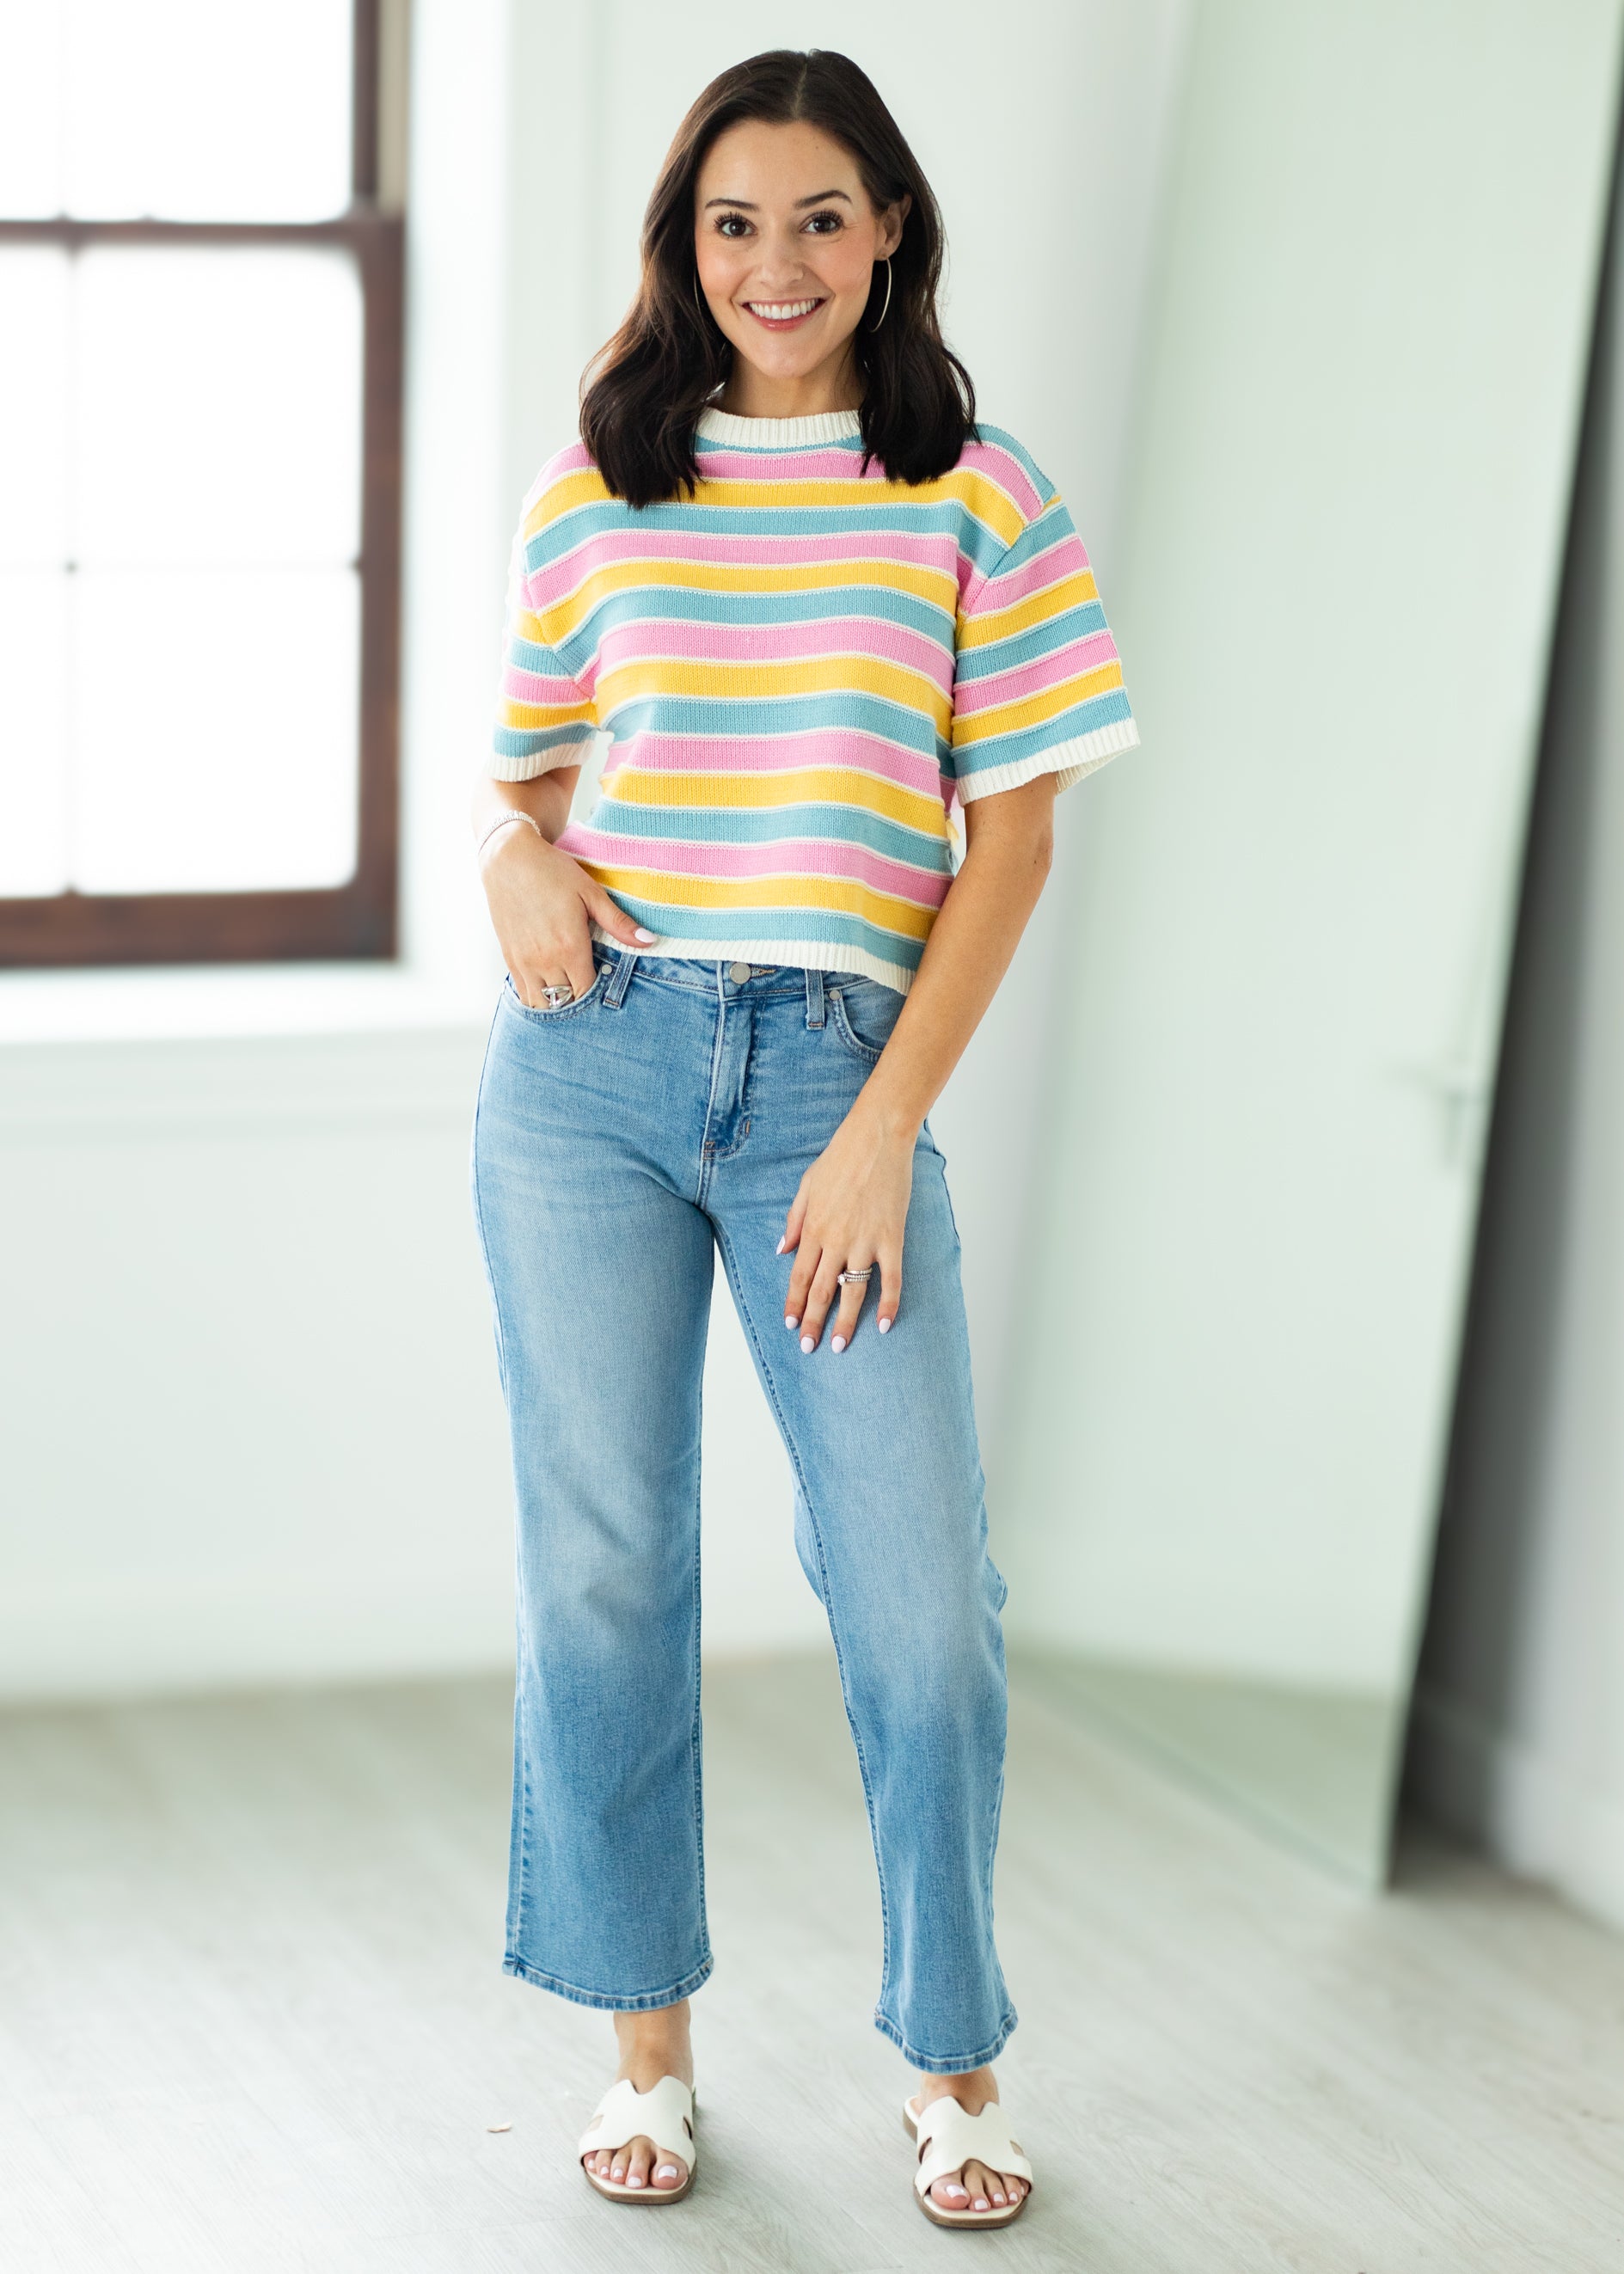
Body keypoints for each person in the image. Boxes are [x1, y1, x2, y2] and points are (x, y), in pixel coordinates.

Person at [470, 46, 1136, 2232]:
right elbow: (530, 780)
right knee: (605, 1568)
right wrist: (515, 862)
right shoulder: (601, 482)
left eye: (822, 217)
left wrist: (879, 1131)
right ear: (687, 244)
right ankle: (644, 2052)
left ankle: (955, 2065)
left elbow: (1012, 840)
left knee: (920, 1599)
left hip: (840, 1074)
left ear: (890, 232)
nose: (779, 262)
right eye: (735, 222)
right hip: (589, 1070)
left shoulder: (976, 495)